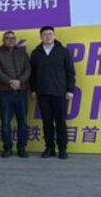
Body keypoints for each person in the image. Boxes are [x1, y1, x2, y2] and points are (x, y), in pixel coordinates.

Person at [29, 26, 76, 159]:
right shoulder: (36, 53)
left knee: (60, 122)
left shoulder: (63, 52)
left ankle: (62, 149)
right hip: (43, 93)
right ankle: (49, 148)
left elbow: (70, 73)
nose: (48, 36)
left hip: (59, 93)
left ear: (54, 36)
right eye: (45, 34)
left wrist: (70, 90)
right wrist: (33, 89)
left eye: (50, 34)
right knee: (47, 122)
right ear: (41, 37)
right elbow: (32, 74)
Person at [0, 30, 31, 158]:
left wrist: (20, 81)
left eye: (13, 38)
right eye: (7, 38)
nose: (10, 40)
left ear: (15, 40)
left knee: (22, 121)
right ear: (3, 40)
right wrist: (10, 82)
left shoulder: (22, 53)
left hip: (21, 91)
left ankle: (22, 148)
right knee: (5, 121)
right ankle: (7, 148)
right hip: (5, 92)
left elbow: (28, 69)